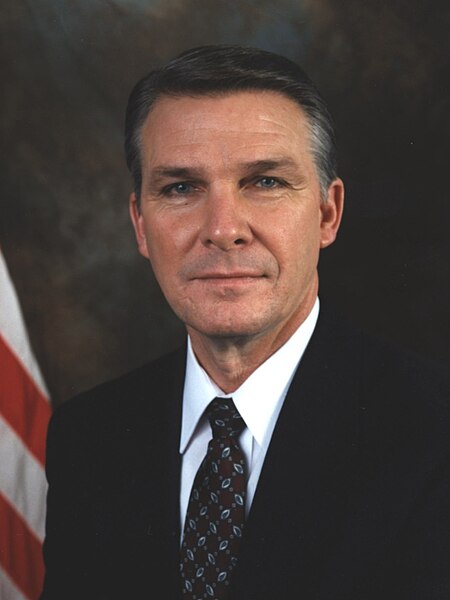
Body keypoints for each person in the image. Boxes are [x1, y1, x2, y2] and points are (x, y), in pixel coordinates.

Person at [40, 45, 450, 600]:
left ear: (327, 213)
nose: (223, 229)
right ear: (140, 224)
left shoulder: (430, 433)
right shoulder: (89, 437)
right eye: (181, 188)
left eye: (265, 182)